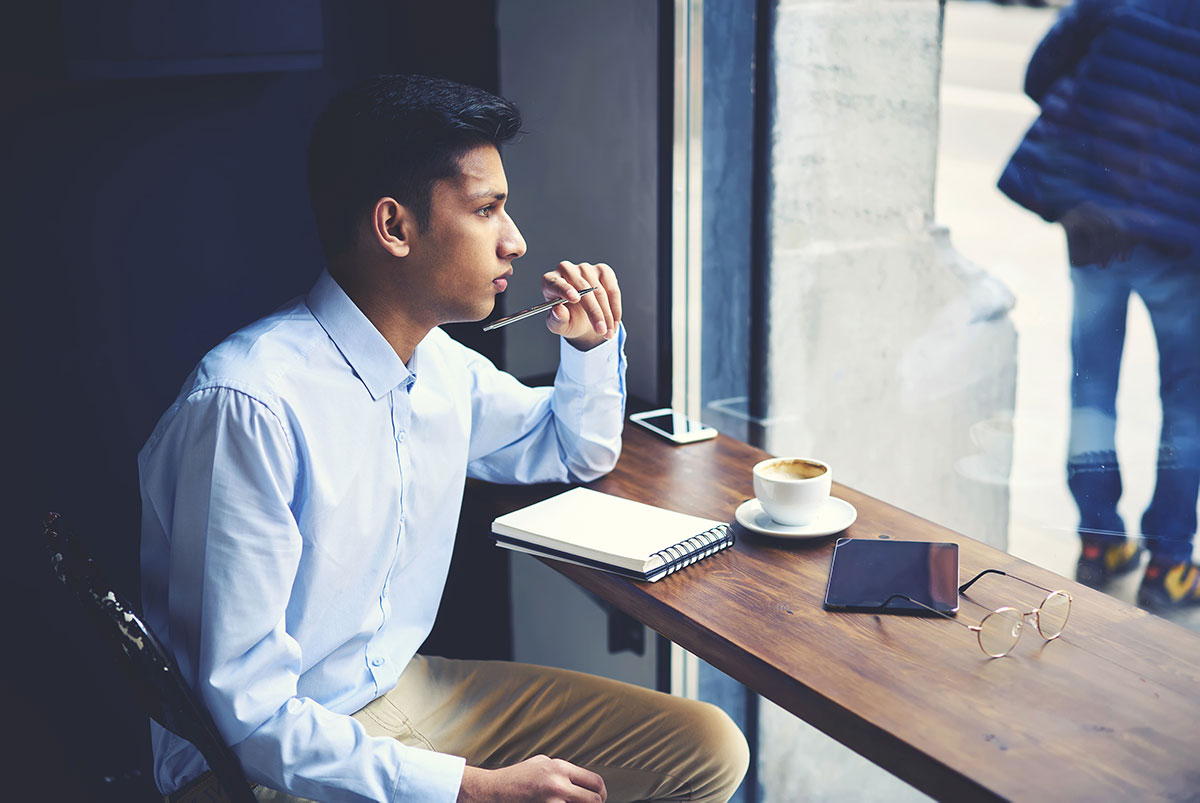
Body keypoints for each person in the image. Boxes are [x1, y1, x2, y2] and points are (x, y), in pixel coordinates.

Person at [139, 74, 748, 802]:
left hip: (405, 687)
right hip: (259, 760)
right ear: (394, 227)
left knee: (708, 749)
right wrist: (469, 787)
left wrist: (589, 349)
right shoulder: (248, 406)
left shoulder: (440, 365)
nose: (516, 241)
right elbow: (247, 714)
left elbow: (571, 449)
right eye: (487, 210)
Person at [998, 0, 1200, 608]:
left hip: (1097, 225)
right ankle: (1169, 566)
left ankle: (1099, 543)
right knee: (1187, 403)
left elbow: (1040, 74)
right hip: (1181, 240)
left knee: (1092, 387)